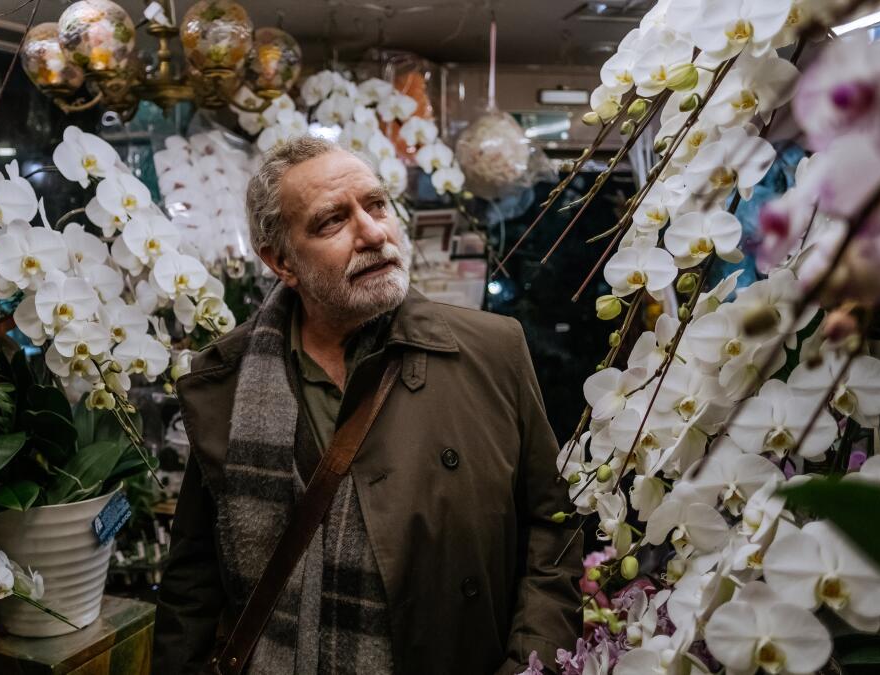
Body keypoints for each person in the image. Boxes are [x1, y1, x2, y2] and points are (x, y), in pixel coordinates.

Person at [153, 136, 581, 674]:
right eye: (333, 220)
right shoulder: (227, 385)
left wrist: (530, 664)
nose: (374, 233)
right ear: (281, 261)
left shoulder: (492, 351)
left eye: (376, 205)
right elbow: (193, 582)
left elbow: (552, 529)